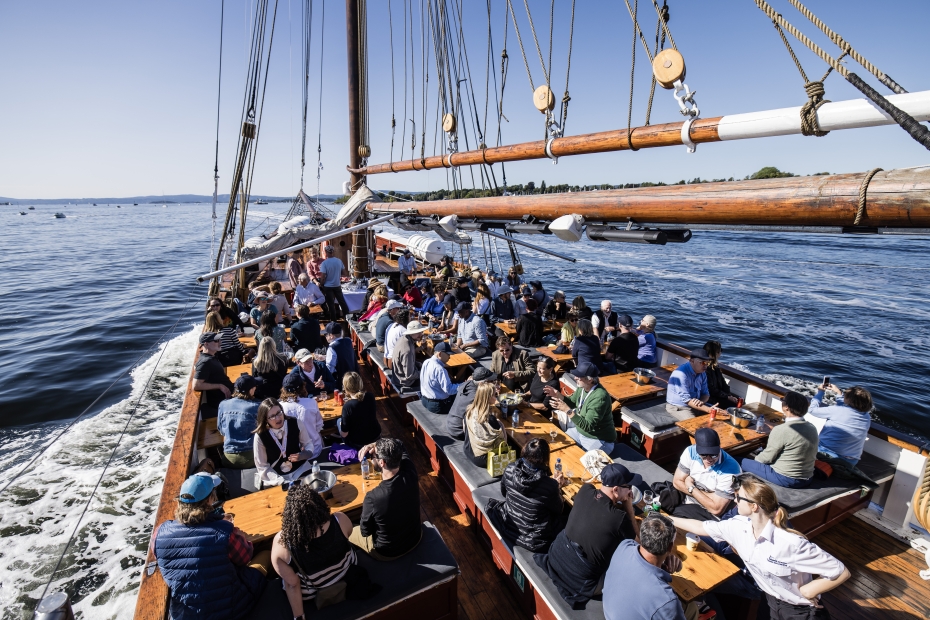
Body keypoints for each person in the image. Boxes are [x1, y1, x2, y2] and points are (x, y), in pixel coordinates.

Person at [671, 474, 850, 619]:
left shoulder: (790, 543)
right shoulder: (737, 526)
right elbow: (700, 527)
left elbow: (840, 571)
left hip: (799, 611)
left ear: (754, 506)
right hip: (769, 602)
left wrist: (808, 590)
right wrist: (665, 519)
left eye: (738, 497)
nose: (734, 499)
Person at [152, 472, 266, 620]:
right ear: (210, 500)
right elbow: (245, 556)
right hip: (232, 609)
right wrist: (231, 528)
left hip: (185, 615)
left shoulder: (159, 534)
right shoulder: (223, 532)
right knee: (266, 553)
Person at [535, 463, 642, 608]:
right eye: (628, 487)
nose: (630, 491)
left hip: (557, 557)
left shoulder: (586, 489)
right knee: (628, 566)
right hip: (582, 581)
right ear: (616, 489)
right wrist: (629, 507)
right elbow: (638, 544)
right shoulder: (619, 518)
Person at [271, 484, 363, 614]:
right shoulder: (340, 519)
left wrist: (299, 616)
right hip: (346, 573)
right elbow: (348, 534)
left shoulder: (283, 544)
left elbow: (293, 583)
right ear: (319, 504)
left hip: (312, 593)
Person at [488, 438, 566, 553]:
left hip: (509, 522)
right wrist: (557, 487)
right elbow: (559, 509)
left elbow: (504, 493)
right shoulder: (549, 486)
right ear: (544, 458)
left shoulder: (510, 468)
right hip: (532, 538)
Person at [602, 514, 685, 620]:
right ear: (670, 547)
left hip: (609, 613)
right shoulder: (667, 600)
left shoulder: (625, 545)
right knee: (691, 609)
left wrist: (662, 567)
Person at [351, 438, 423, 560]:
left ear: (382, 462)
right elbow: (399, 442)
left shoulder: (373, 497)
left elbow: (365, 532)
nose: (371, 455)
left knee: (347, 529)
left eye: (373, 454)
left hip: (388, 552)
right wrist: (373, 444)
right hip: (416, 538)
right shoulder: (410, 471)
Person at [742, 391, 818, 488]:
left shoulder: (781, 430)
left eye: (783, 400)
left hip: (785, 478)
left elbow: (765, 459)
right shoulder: (812, 427)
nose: (782, 402)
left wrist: (750, 459)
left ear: (786, 407)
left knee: (736, 460)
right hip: (807, 477)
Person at [671, 428, 741, 520]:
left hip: (708, 513)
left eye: (714, 454)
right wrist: (710, 496)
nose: (708, 459)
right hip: (686, 498)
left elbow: (716, 509)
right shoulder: (690, 452)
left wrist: (691, 487)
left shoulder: (731, 470)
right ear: (696, 447)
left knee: (675, 515)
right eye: (703, 454)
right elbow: (677, 482)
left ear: (719, 447)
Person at [547, 362, 617, 454]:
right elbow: (572, 402)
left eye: (579, 376)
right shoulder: (583, 387)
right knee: (560, 446)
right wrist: (559, 395)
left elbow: (588, 426)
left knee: (581, 461)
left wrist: (567, 410)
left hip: (599, 439)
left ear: (590, 380)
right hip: (579, 432)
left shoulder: (600, 397)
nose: (575, 378)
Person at [253, 398, 317, 486]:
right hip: (276, 476)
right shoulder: (260, 435)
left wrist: (305, 454)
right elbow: (262, 466)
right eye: (272, 416)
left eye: (279, 413)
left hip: (300, 469)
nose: (278, 418)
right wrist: (281, 481)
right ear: (265, 420)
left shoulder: (295, 423)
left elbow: (308, 443)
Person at [807, 383, 873, 466]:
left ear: (849, 400)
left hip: (827, 456)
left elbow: (812, 410)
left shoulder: (837, 410)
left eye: (846, 395)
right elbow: (845, 410)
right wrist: (838, 392)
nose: (844, 395)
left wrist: (820, 392)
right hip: (851, 461)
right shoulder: (867, 416)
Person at [217, 374, 264, 468]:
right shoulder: (257, 407)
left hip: (229, 458)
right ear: (251, 390)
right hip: (253, 457)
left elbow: (221, 430)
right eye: (255, 387)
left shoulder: (223, 404)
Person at [446, 366, 498, 440]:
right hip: (459, 430)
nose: (493, 383)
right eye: (491, 381)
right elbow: (482, 417)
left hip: (450, 423)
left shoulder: (467, 384)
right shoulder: (476, 397)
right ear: (482, 383)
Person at [464, 381, 508, 466]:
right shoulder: (490, 419)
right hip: (482, 459)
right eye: (495, 395)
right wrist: (502, 426)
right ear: (488, 397)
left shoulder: (470, 410)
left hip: (468, 450)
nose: (496, 397)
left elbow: (464, 428)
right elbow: (503, 444)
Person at [279, 373, 325, 454]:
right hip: (315, 451)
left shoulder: (280, 407)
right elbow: (319, 426)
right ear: (302, 386)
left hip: (292, 455)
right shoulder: (312, 402)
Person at [193, 332, 233, 418]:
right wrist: (219, 386)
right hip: (223, 401)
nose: (220, 342)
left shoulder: (211, 356)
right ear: (206, 344)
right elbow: (196, 385)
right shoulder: (205, 362)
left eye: (219, 340)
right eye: (216, 341)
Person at [338, 371, 382, 449]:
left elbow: (344, 434)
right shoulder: (370, 396)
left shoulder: (347, 406)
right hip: (375, 437)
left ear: (346, 387)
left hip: (358, 443)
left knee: (338, 421)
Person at [666, 348, 713, 419]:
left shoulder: (702, 373)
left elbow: (706, 394)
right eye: (703, 362)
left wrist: (700, 402)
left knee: (718, 416)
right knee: (694, 424)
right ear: (692, 361)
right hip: (679, 407)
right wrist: (709, 410)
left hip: (695, 404)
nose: (706, 366)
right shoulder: (681, 374)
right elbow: (687, 400)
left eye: (707, 363)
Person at [419, 341, 459, 415]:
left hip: (424, 401)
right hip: (438, 406)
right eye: (448, 354)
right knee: (463, 404)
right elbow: (449, 390)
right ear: (440, 354)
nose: (449, 357)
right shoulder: (440, 369)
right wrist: (464, 384)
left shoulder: (426, 362)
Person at [392, 320, 427, 390]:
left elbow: (409, 360)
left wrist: (420, 364)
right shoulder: (407, 350)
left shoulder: (404, 339)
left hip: (400, 376)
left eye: (421, 332)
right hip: (406, 382)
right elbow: (410, 375)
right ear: (411, 333)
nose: (421, 334)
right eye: (418, 332)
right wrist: (426, 372)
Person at [703, 340, 739, 407]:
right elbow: (711, 389)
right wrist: (727, 397)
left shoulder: (715, 366)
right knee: (733, 405)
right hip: (709, 398)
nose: (721, 352)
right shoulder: (705, 368)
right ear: (716, 353)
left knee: (737, 400)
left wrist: (729, 395)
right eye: (720, 350)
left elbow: (723, 382)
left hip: (718, 395)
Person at [319, 245, 350, 319]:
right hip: (337, 285)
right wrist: (336, 274)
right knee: (342, 302)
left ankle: (333, 320)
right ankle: (348, 318)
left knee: (331, 304)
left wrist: (321, 284)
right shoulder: (339, 261)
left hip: (328, 286)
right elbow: (344, 273)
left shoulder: (324, 263)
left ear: (326, 252)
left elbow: (323, 277)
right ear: (333, 252)